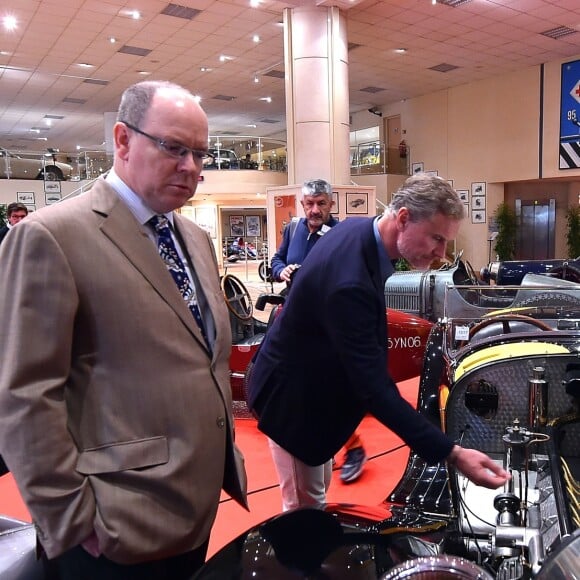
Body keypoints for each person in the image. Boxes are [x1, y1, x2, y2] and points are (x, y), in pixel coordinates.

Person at [0, 80, 247, 580]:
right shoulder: (50, 236)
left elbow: (202, 355)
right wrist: (71, 520)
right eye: (174, 148)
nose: (191, 167)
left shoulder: (194, 238)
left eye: (200, 153)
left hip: (195, 506)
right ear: (123, 139)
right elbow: (25, 395)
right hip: (111, 526)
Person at [248, 173, 510, 511]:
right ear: (402, 219)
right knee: (304, 513)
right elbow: (375, 389)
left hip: (312, 393)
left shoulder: (359, 231)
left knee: (316, 493)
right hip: (295, 408)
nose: (442, 253)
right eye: (436, 238)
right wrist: (452, 453)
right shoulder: (350, 282)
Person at [270, 179, 368, 485]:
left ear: (331, 204)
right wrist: (281, 270)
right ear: (302, 205)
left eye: (321, 203)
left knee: (322, 388)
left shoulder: (341, 235)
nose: (315, 210)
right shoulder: (293, 229)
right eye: (310, 204)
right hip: (293, 319)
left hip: (326, 322)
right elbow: (276, 260)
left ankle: (353, 447)